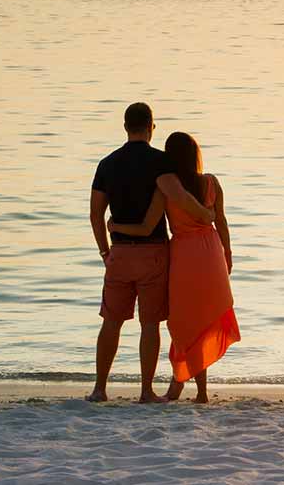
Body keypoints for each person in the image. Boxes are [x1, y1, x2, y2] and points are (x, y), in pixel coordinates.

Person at [88, 103, 214, 403]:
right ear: (151, 127)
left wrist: (105, 251)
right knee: (149, 324)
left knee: (111, 322)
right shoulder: (160, 163)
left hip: (119, 252)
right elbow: (179, 196)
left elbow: (95, 215)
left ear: (125, 127)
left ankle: (99, 389)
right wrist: (206, 214)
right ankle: (146, 391)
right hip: (154, 254)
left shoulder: (107, 164)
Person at [109, 131, 239, 403]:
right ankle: (198, 390)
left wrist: (115, 226)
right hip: (211, 253)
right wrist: (227, 253)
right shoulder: (212, 183)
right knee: (203, 321)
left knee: (182, 323)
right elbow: (222, 222)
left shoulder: (166, 188)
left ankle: (180, 383)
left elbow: (146, 227)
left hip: (182, 254)